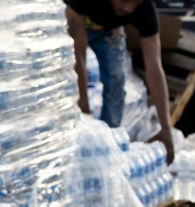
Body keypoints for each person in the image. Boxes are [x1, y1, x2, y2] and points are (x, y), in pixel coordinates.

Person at [65, 0, 174, 162]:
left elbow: (154, 69)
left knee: (116, 81)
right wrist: (84, 113)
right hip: (74, 24)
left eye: (135, 4)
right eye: (125, 0)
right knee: (67, 80)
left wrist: (166, 128)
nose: (129, 8)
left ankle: (109, 144)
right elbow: (78, 56)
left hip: (107, 30)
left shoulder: (145, 9)